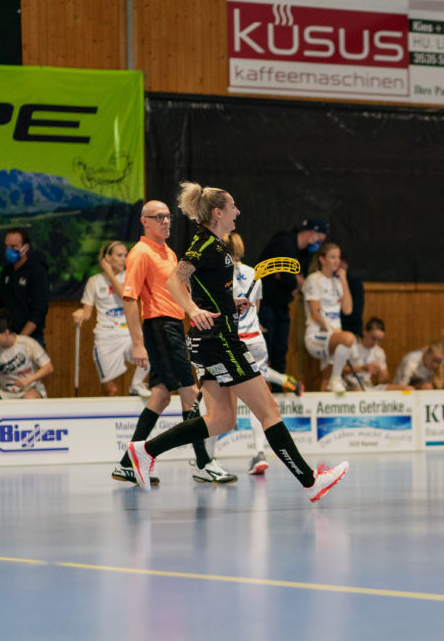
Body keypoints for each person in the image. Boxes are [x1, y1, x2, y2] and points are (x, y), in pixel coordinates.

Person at [125, 182, 348, 502]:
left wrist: (232, 303)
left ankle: (145, 451)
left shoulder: (214, 244)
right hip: (219, 341)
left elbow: (206, 286)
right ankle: (310, 479)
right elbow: (176, 278)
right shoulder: (204, 244)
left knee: (222, 419)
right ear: (218, 213)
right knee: (269, 409)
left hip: (214, 339)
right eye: (233, 207)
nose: (238, 212)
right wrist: (192, 310)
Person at [113, 199, 232, 487]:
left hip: (174, 325)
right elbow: (130, 299)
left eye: (168, 217)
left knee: (161, 396)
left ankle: (128, 463)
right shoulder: (140, 253)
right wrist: (138, 344)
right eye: (158, 217)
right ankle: (203, 463)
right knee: (190, 391)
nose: (166, 221)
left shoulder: (167, 251)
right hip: (161, 326)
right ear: (145, 221)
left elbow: (182, 290)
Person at [224, 232, 305, 474]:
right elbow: (254, 312)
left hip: (231, 342)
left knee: (222, 403)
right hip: (256, 340)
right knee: (256, 402)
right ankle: (259, 453)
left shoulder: (216, 274)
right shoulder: (252, 273)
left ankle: (206, 460)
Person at [72, 242, 150, 397]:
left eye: (126, 255)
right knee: (110, 389)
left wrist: (110, 275)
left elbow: (125, 296)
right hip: (106, 336)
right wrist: (80, 312)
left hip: (128, 333)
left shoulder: (130, 276)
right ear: (107, 257)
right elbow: (87, 312)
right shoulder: (94, 281)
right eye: (119, 255)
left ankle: (136, 385)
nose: (124, 259)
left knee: (150, 353)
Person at [258, 218, 328, 375]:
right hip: (266, 303)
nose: (319, 244)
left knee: (281, 350)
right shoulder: (284, 242)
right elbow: (286, 278)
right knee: (264, 349)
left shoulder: (305, 253)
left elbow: (300, 281)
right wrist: (293, 279)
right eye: (320, 239)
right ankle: (259, 392)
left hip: (283, 305)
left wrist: (293, 279)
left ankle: (277, 392)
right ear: (312, 234)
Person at [303, 242, 356, 392]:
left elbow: (348, 310)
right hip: (318, 336)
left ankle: (322, 410)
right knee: (348, 339)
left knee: (326, 379)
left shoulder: (337, 282)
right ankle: (336, 379)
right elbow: (316, 312)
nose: (336, 261)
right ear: (322, 259)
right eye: (332, 257)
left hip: (334, 336)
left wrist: (344, 281)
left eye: (338, 257)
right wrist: (332, 332)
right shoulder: (314, 279)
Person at [0, 315, 53, 399]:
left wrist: (28, 379)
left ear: (6, 332)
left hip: (29, 390)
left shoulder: (27, 343)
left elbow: (48, 367)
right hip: (5, 393)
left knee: (29, 398)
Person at [0, 227, 50, 348]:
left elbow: (39, 311)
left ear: (25, 248)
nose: (9, 250)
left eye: (14, 247)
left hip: (31, 338)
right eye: (7, 246)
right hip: (7, 337)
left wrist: (20, 339)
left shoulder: (37, 272)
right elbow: (0, 305)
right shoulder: (6, 271)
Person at [345, 317, 391, 390]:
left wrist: (380, 371)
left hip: (368, 386)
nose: (376, 343)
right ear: (365, 331)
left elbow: (383, 381)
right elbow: (340, 371)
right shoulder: (352, 346)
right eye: (373, 338)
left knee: (408, 389)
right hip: (349, 385)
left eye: (379, 340)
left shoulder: (379, 351)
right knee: (358, 391)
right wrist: (362, 368)